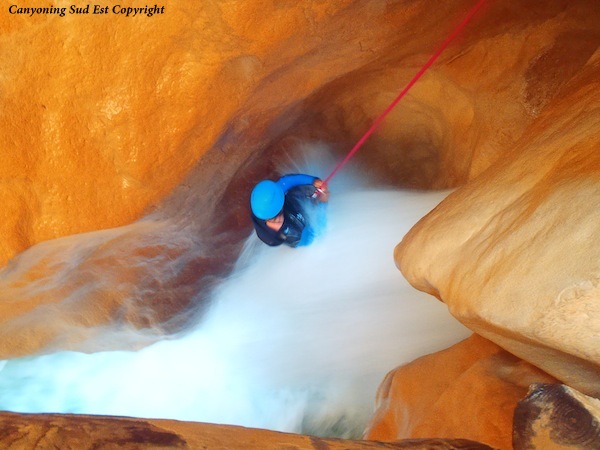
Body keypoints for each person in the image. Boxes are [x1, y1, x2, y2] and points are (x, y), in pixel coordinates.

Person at [250, 174, 329, 247]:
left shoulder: (263, 207)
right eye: (275, 220)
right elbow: (317, 235)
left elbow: (287, 182)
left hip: (291, 209)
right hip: (301, 232)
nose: (279, 221)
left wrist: (313, 181)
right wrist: (322, 203)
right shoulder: (292, 235)